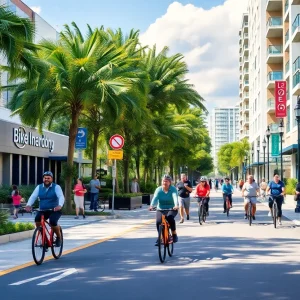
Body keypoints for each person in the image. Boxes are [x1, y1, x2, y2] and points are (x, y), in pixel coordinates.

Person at [25, 171, 65, 247]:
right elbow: (33, 196)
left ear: (52, 179)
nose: (46, 179)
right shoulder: (39, 187)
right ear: (43, 179)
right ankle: (44, 239)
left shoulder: (56, 187)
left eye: (48, 178)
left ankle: (59, 237)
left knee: (53, 222)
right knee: (37, 220)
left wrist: (60, 205)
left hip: (54, 210)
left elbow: (61, 196)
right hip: (43, 210)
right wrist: (28, 205)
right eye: (45, 178)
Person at [149, 175, 179, 246]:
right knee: (158, 221)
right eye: (163, 181)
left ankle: (174, 234)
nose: (164, 182)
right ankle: (160, 237)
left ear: (170, 182)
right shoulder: (158, 189)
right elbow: (155, 198)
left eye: (166, 181)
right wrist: (151, 205)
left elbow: (175, 197)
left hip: (172, 208)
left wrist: (176, 205)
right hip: (161, 208)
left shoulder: (173, 189)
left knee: (170, 218)